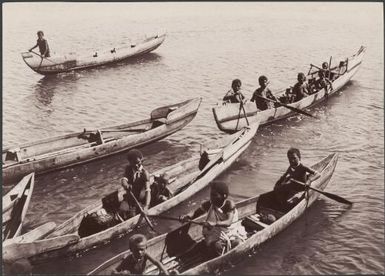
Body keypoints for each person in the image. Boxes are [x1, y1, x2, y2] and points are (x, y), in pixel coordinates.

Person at [180, 181, 246, 256]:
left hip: (230, 232)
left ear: (224, 196)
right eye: (211, 194)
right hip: (217, 231)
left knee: (219, 246)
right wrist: (187, 216)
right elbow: (196, 213)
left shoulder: (229, 204)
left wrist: (214, 223)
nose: (211, 197)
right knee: (208, 245)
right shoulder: (211, 203)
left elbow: (228, 222)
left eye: (215, 195)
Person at [119, 149, 151, 220]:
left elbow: (148, 191)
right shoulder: (128, 169)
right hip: (130, 198)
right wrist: (126, 185)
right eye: (134, 163)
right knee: (122, 211)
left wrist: (146, 207)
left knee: (132, 216)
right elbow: (123, 180)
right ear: (130, 162)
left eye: (138, 162)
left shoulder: (145, 173)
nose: (137, 165)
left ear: (141, 160)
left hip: (141, 200)